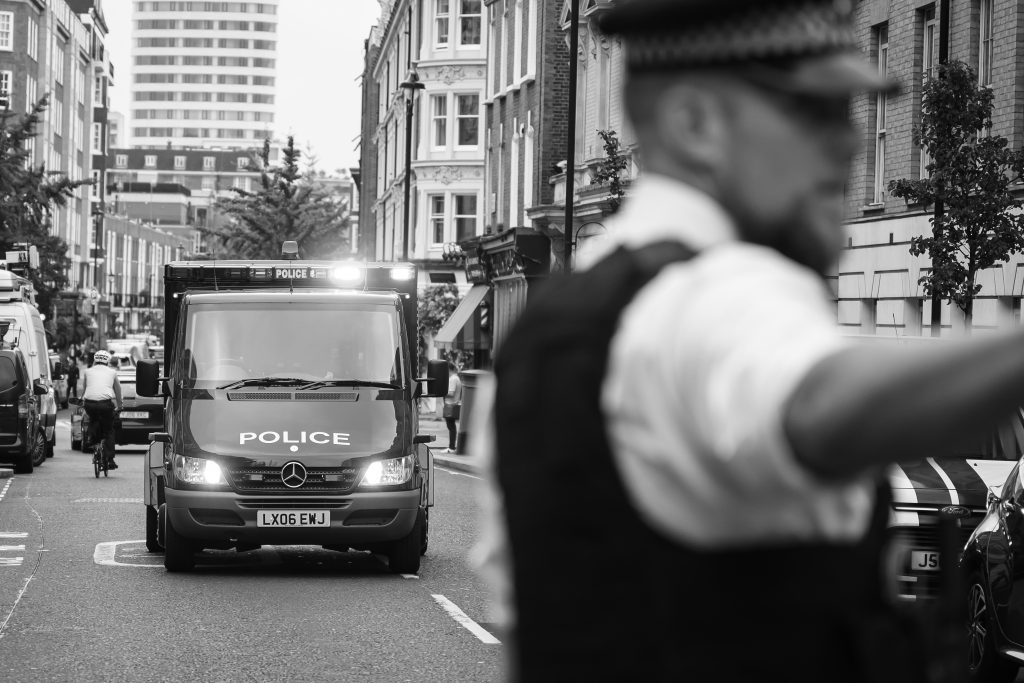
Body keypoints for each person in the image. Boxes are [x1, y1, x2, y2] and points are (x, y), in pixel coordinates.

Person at [476, 0, 1024, 680]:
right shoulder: (713, 292)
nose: (849, 141)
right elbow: (820, 404)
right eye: (812, 109)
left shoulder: (572, 313)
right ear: (695, 121)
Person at [82, 350, 122, 470]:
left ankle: (91, 439)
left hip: (90, 404)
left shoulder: (87, 371)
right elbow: (118, 390)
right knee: (109, 429)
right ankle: (110, 459)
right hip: (105, 404)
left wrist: (83, 403)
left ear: (95, 360)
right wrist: (119, 406)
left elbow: (84, 390)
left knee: (93, 419)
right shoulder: (112, 372)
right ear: (108, 361)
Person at [442, 361, 462, 454]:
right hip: (453, 404)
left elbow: (451, 392)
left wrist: (442, 392)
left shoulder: (453, 379)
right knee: (451, 426)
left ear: (449, 369)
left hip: (450, 405)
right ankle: (451, 446)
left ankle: (451, 447)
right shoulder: (457, 378)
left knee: (451, 427)